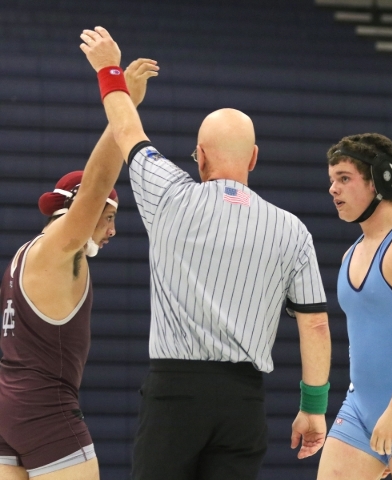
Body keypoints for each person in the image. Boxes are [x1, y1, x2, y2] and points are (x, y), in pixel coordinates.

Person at [79, 26, 331, 480]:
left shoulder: (169, 196)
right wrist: (313, 407)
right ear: (254, 158)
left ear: (198, 156)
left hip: (174, 395)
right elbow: (314, 322)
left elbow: (125, 128)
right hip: (243, 401)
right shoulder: (293, 229)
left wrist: (109, 69)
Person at [0, 59, 159, 480]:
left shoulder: (25, 254)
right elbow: (96, 181)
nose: (112, 231)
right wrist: (123, 96)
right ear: (79, 212)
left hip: (7, 407)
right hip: (44, 411)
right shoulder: (61, 246)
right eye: (107, 218)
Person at [318, 133, 392, 480]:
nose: (333, 190)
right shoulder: (351, 254)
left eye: (344, 179)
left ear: (380, 181)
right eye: (332, 180)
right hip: (359, 409)